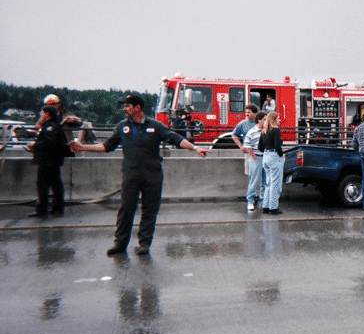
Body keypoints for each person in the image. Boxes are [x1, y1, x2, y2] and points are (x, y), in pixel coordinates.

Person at [70, 94, 209, 256]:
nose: (124, 109)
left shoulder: (155, 126)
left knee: (149, 210)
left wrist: (195, 148)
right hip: (131, 175)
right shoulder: (122, 127)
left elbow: (175, 138)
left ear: (138, 108)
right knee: (126, 209)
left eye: (127, 106)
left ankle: (144, 244)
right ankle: (120, 244)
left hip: (152, 175)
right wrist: (82, 147)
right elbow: (106, 146)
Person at [28, 104, 71, 217]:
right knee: (56, 185)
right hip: (53, 161)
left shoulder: (50, 127)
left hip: (48, 161)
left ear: (47, 114)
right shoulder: (54, 125)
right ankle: (57, 208)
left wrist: (35, 145)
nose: (40, 115)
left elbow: (49, 142)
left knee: (43, 185)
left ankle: (42, 209)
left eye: (42, 113)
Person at [258, 112, 284, 215]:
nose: (280, 120)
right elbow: (278, 146)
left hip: (266, 156)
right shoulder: (276, 130)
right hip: (274, 157)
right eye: (278, 118)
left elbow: (259, 147)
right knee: (275, 184)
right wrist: (281, 155)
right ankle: (273, 208)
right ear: (274, 119)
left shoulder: (264, 131)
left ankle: (265, 206)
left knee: (268, 183)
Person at [243, 111, 267, 211]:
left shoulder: (266, 131)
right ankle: (250, 201)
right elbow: (247, 145)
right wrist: (254, 156)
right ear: (259, 120)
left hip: (266, 158)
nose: (266, 122)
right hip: (256, 158)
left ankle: (262, 201)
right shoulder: (252, 131)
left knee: (266, 182)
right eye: (264, 120)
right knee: (254, 181)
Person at [232, 104, 259, 175]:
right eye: (246, 112)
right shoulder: (242, 124)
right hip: (248, 153)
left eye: (249, 112)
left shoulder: (261, 122)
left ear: (255, 113)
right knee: (250, 174)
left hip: (260, 152)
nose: (247, 114)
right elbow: (234, 135)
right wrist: (241, 146)